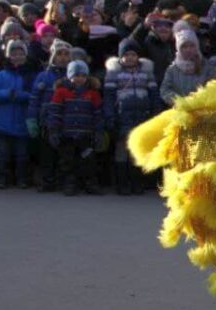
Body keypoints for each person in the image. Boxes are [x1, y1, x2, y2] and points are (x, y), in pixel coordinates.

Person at [104, 39, 161, 195]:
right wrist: (110, 117)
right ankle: (122, 183)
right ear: (120, 57)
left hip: (142, 116)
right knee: (122, 150)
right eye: (126, 55)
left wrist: (155, 113)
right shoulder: (114, 74)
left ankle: (137, 182)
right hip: (122, 116)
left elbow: (154, 95)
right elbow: (108, 98)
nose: (130, 58)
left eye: (133, 54)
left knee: (138, 150)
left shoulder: (146, 73)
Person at [47, 60, 104, 196]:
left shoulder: (93, 93)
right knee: (68, 160)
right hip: (67, 134)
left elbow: (98, 114)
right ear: (69, 76)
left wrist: (99, 132)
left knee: (88, 160)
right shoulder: (61, 92)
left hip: (86, 134)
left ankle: (90, 183)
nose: (79, 79)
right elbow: (55, 112)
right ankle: (69, 183)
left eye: (83, 76)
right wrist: (53, 130)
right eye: (76, 75)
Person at [0, 40, 36, 189]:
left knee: (22, 154)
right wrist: (7, 94)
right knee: (3, 153)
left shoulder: (30, 75)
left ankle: (21, 178)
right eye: (14, 54)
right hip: (4, 121)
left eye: (20, 53)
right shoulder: (0, 76)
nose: (17, 57)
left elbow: (34, 95)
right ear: (8, 56)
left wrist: (21, 95)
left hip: (23, 121)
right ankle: (2, 178)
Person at [27, 39, 73, 192]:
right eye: (59, 54)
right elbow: (35, 99)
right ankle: (47, 180)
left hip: (67, 121)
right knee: (47, 153)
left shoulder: (73, 77)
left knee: (65, 154)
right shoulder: (43, 76)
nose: (63, 57)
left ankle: (64, 181)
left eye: (66, 54)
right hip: (47, 121)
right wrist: (32, 118)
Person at [160, 30, 216, 105]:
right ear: (178, 48)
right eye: (184, 47)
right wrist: (179, 101)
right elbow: (165, 90)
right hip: (179, 110)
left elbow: (215, 86)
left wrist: (199, 100)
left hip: (203, 108)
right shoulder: (172, 69)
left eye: (191, 46)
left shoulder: (208, 67)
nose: (188, 50)